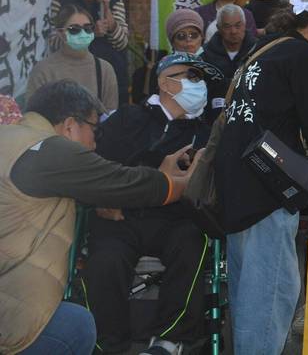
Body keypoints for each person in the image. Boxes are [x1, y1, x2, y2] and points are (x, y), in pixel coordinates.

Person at [0, 80, 197, 354]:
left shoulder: (11, 137)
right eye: (95, 130)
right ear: (70, 125)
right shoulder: (50, 150)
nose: (94, 144)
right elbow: (122, 182)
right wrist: (185, 181)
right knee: (78, 325)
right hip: (10, 318)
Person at [214, 0, 308, 354]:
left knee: (249, 296)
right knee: (271, 295)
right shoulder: (301, 55)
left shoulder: (264, 47)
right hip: (268, 192)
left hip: (237, 186)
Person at [83, 53, 223, 355]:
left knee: (192, 242)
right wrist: (154, 172)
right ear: (165, 82)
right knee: (106, 259)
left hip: (175, 219)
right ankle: (108, 344)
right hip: (123, 215)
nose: (200, 85)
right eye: (192, 77)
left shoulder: (206, 132)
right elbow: (103, 170)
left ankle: (170, 339)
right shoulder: (128, 119)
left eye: (202, 80)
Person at [50, 0, 130, 106]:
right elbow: (54, 42)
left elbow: (122, 43)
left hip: (111, 76)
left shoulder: (115, 0)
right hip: (74, 77)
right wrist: (90, 33)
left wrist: (107, 11)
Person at [29, 4, 118, 113]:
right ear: (61, 33)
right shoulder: (43, 71)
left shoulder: (105, 69)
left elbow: (110, 116)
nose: (82, 33)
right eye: (74, 29)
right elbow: (34, 117)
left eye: (87, 28)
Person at [132, 9, 205, 104]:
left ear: (202, 37)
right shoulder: (161, 67)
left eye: (193, 35)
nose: (188, 40)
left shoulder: (212, 63)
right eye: (181, 36)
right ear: (172, 41)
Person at [201, 4, 257, 122]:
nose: (233, 31)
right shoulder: (206, 54)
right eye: (227, 26)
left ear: (245, 24)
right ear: (218, 27)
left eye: (238, 25)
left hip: (249, 115)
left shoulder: (258, 51)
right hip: (213, 117)